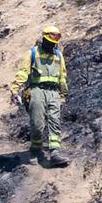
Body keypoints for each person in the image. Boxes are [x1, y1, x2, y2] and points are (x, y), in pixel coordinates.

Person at [9, 25, 70, 168]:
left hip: (53, 92)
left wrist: (63, 94)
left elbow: (62, 76)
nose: (53, 44)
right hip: (36, 91)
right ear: (44, 39)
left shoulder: (58, 56)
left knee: (55, 122)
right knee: (37, 124)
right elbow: (23, 72)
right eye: (50, 40)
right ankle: (35, 150)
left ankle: (55, 153)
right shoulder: (32, 53)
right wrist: (15, 89)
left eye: (55, 41)